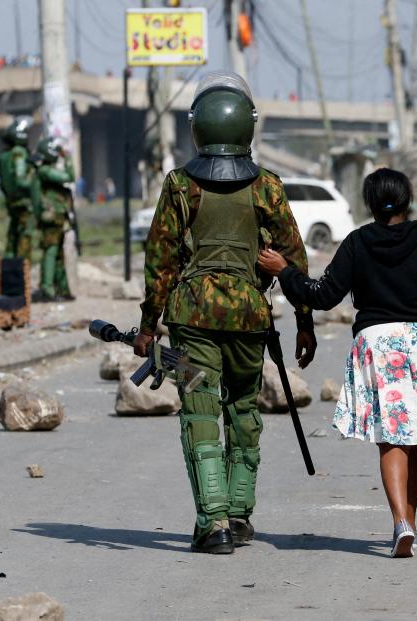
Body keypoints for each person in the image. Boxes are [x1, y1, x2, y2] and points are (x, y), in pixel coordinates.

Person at [131, 71, 317, 555]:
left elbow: (161, 263)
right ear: (245, 127)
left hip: (192, 320)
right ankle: (238, 515)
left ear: (199, 126)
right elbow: (295, 261)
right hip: (250, 321)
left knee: (200, 412)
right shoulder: (267, 187)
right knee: (243, 411)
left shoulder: (179, 186)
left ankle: (212, 524)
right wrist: (304, 321)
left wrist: (148, 328)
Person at [258, 168, 417, 559]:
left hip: (380, 344)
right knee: (414, 437)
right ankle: (411, 523)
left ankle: (401, 524)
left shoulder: (357, 243)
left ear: (370, 204)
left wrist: (282, 271)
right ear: (408, 202)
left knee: (390, 436)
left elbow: (322, 295)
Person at [35, 137, 75, 301]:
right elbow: (69, 176)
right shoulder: (45, 170)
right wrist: (68, 159)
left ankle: (62, 289)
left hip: (58, 216)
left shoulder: (46, 169)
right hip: (51, 218)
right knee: (51, 251)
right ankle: (47, 288)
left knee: (58, 254)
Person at [0, 117, 38, 261]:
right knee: (25, 237)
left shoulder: (3, 156)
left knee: (12, 237)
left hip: (11, 201)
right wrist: (34, 179)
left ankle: (8, 271)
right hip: (24, 202)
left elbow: (2, 183)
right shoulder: (19, 152)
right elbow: (21, 180)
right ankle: (22, 273)